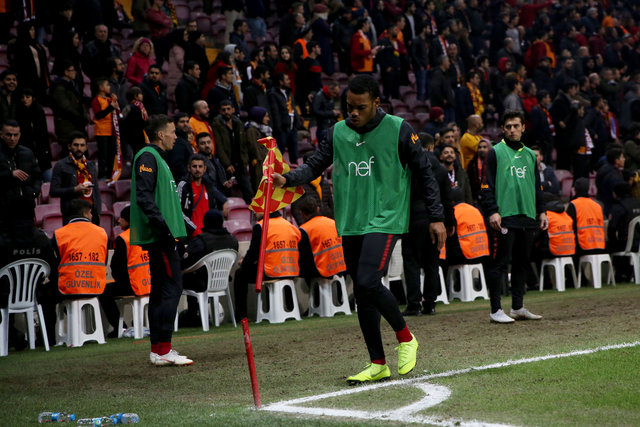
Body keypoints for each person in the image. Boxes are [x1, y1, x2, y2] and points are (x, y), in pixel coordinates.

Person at [273, 75, 445, 384]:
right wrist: (287, 179)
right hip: (351, 221)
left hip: (386, 217)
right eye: (348, 106)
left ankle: (406, 338)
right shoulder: (337, 132)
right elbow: (314, 165)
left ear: (376, 103)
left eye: (360, 107)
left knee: (367, 281)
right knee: (363, 294)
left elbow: (425, 173)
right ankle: (377, 363)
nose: (353, 113)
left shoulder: (399, 129)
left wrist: (436, 216)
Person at [130, 114, 191, 366]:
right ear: (160, 134)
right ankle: (163, 349)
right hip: (161, 237)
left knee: (159, 292)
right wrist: (165, 230)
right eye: (172, 131)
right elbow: (144, 197)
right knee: (171, 290)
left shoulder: (157, 158)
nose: (176, 136)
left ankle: (159, 350)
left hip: (163, 235)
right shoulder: (148, 157)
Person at [480, 110, 547, 324]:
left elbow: (537, 186)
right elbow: (486, 185)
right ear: (502, 129)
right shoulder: (495, 152)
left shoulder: (530, 155)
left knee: (522, 263)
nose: (512, 130)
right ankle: (496, 309)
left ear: (523, 127)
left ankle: (518, 307)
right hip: (504, 216)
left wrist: (542, 211)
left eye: (516, 126)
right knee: (500, 263)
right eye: (508, 126)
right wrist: (493, 211)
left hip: (527, 215)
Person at [41, 199, 108, 342]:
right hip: (97, 287)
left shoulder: (60, 234)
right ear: (85, 213)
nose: (92, 216)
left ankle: (48, 339)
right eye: (90, 213)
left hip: (69, 287)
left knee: (44, 294)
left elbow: (54, 265)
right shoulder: (101, 232)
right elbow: (104, 260)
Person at [402, 132, 452, 316]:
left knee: (412, 261)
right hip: (435, 219)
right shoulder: (440, 169)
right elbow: (447, 199)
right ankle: (430, 303)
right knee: (432, 261)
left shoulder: (408, 165)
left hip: (412, 219)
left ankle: (414, 304)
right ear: (431, 147)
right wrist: (449, 222)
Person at [233, 211, 301, 321]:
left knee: (240, 274)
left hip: (271, 271)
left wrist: (244, 263)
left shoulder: (261, 226)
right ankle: (290, 307)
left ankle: (241, 316)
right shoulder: (290, 225)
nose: (254, 212)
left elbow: (254, 253)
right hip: (291, 270)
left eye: (257, 209)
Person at [99, 206, 152, 337]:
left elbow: (118, 267)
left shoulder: (123, 238)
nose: (118, 221)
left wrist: (118, 280)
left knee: (103, 291)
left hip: (133, 286)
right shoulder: (148, 233)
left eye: (121, 218)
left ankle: (120, 328)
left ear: (127, 220)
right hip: (152, 284)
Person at [180, 209, 238, 325]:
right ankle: (194, 315)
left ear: (205, 222)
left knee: (182, 277)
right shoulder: (233, 240)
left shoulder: (200, 241)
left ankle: (191, 315)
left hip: (201, 283)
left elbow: (185, 263)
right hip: (222, 282)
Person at [50, 132, 101, 226]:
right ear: (69, 146)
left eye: (82, 145)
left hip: (91, 213)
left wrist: (98, 211)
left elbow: (96, 190)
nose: (79, 148)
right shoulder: (61, 165)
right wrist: (74, 189)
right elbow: (53, 191)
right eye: (76, 145)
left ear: (86, 147)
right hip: (71, 214)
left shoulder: (91, 165)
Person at [0, 120, 41, 232]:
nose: (12, 138)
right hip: (4, 209)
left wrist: (34, 192)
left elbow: (37, 176)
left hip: (26, 207)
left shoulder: (27, 153)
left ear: (20, 135)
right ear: (1, 134)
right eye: (8, 135)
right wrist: (10, 174)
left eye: (15, 135)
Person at [212, 100, 255, 202]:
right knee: (229, 193)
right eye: (223, 110)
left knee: (248, 191)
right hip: (226, 164)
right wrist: (227, 164)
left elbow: (244, 144)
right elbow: (219, 146)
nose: (226, 112)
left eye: (228, 109)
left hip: (240, 162)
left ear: (233, 110)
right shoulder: (216, 124)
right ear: (220, 111)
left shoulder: (238, 123)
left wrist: (245, 160)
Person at [297, 197, 346, 282]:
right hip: (342, 268)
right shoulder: (332, 222)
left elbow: (304, 258)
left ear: (302, 213)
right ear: (318, 209)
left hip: (321, 273)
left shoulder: (304, 229)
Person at [178, 154, 228, 236]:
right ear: (189, 168)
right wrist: (193, 230)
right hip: (192, 235)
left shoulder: (208, 186)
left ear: (205, 169)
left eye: (200, 166)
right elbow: (179, 211)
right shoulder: (183, 186)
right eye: (194, 166)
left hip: (208, 234)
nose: (197, 169)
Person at [49, 62, 88, 147]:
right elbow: (65, 106)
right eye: (72, 70)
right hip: (66, 125)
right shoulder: (59, 87)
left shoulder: (72, 85)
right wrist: (79, 117)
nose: (75, 72)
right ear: (66, 72)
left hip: (75, 124)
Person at [566, 177, 606, 257]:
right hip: (600, 245)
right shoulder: (597, 205)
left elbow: (569, 227)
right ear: (588, 189)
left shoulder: (574, 204)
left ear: (575, 190)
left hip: (582, 246)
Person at [91, 78, 120, 179]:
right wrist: (111, 107)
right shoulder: (96, 100)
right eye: (107, 85)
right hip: (101, 131)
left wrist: (115, 102)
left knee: (111, 155)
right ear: (101, 87)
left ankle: (110, 175)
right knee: (103, 155)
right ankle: (102, 176)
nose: (109, 87)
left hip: (111, 131)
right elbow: (99, 115)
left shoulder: (109, 99)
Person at [269, 72, 300, 164]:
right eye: (287, 79)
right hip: (282, 129)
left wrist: (297, 122)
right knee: (279, 154)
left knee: (295, 154)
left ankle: (296, 171)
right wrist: (278, 128)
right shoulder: (273, 94)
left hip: (292, 128)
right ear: (281, 82)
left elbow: (293, 108)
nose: (289, 81)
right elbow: (275, 113)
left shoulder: (289, 92)